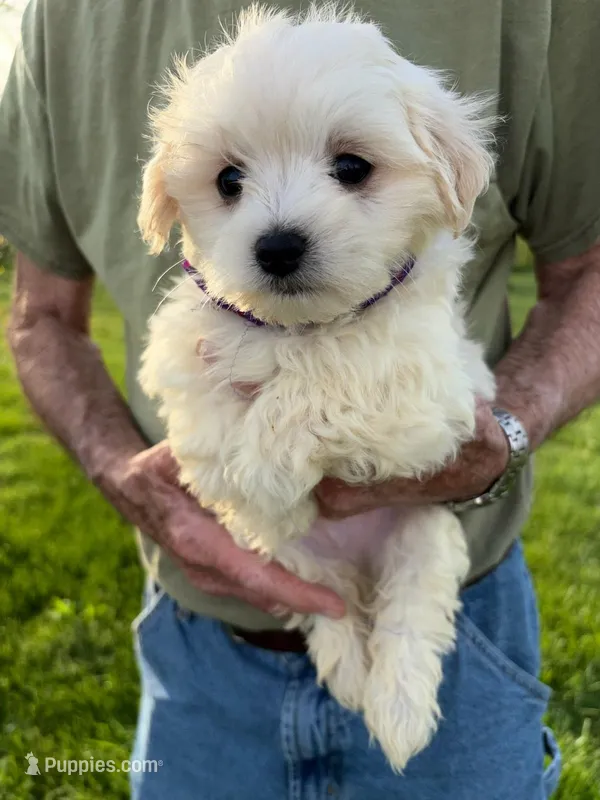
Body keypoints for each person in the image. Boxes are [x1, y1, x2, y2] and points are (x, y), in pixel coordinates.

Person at [1, 0, 599, 797]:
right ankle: (331, 619)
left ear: (447, 172)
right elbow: (39, 317)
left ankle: (399, 638)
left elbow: (448, 414)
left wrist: (498, 432)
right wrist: (134, 470)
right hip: (195, 632)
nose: (280, 226)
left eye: (350, 169)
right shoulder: (58, 20)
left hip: (466, 609)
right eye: (231, 182)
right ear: (172, 198)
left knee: (417, 556)